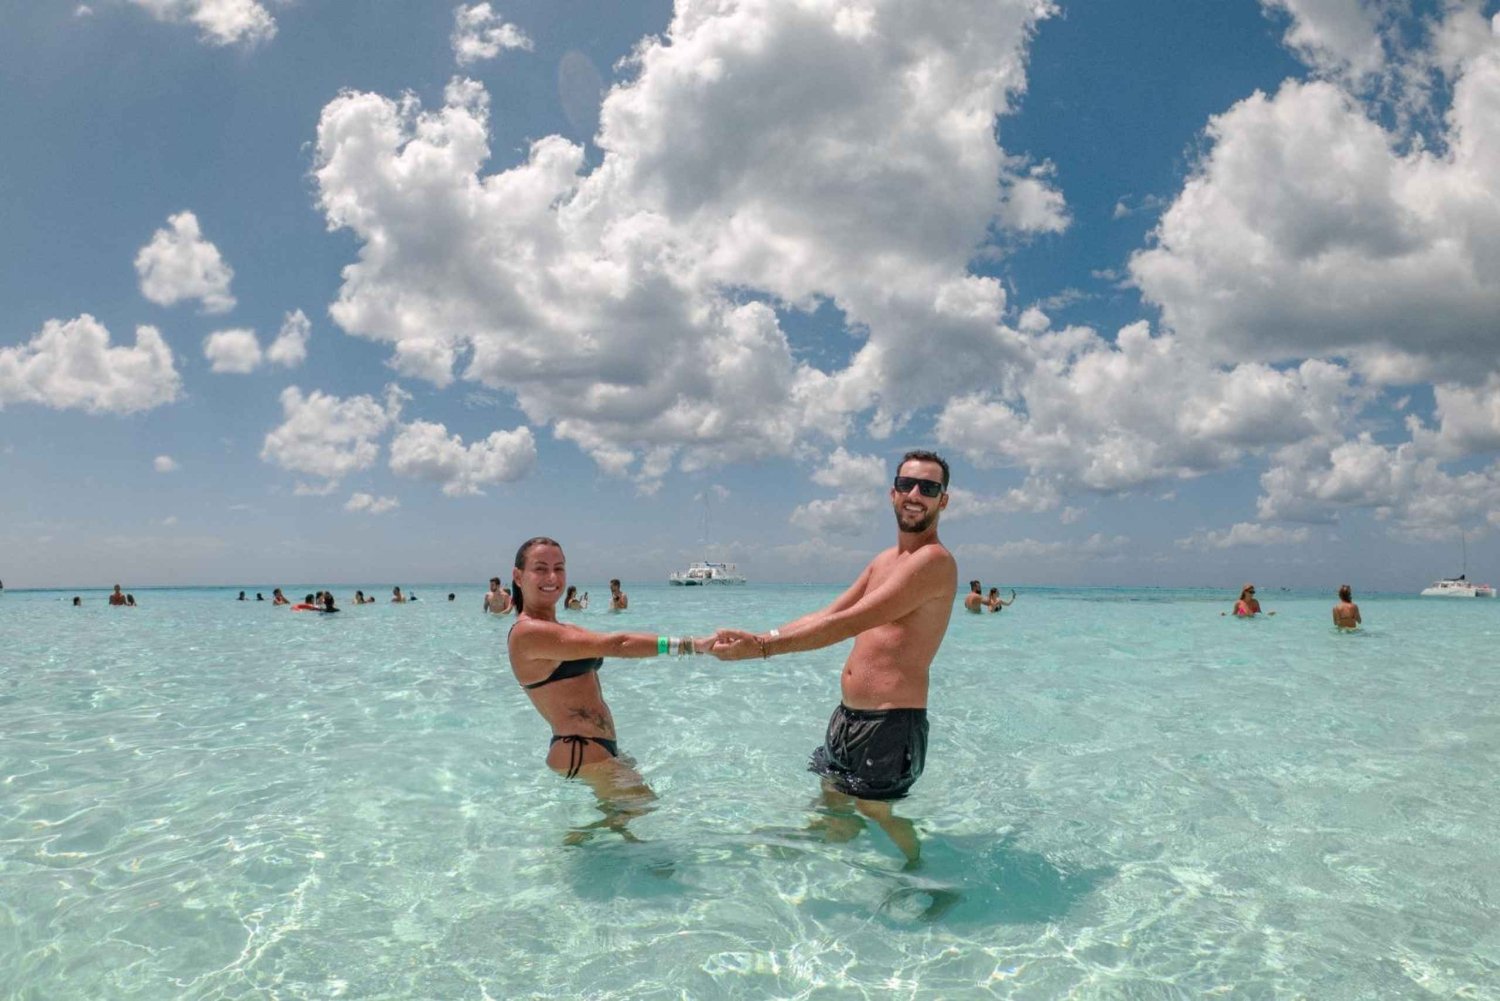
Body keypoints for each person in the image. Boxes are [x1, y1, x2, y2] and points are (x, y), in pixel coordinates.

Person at [712, 449, 958, 865]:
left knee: (875, 810)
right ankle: (822, 858)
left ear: (942, 501)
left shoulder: (933, 562)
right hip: (849, 716)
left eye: (929, 487)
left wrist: (763, 650)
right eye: (907, 484)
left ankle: (922, 877)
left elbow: (849, 623)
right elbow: (829, 613)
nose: (915, 494)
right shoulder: (884, 560)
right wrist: (760, 636)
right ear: (892, 494)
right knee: (832, 796)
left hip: (890, 723)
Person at [507, 536, 713, 842]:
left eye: (559, 568)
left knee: (627, 824)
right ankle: (576, 841)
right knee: (643, 813)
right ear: (518, 576)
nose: (552, 577)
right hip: (580, 748)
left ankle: (581, 841)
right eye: (540, 568)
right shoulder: (528, 632)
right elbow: (619, 644)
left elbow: (609, 642)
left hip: (593, 748)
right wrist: (692, 645)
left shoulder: (562, 628)